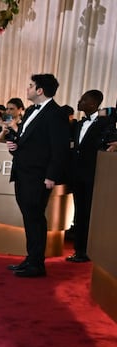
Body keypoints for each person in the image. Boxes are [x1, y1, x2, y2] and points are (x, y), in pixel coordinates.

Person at [5, 74, 69, 277]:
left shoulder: (55, 113)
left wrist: (51, 176)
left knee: (35, 218)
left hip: (39, 176)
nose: (28, 89)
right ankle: (31, 258)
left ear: (40, 90)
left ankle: (37, 264)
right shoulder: (32, 110)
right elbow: (28, 141)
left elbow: (59, 149)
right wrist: (14, 145)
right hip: (23, 173)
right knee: (29, 217)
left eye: (31, 86)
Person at [66, 90, 114, 263]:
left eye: (83, 99)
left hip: (94, 176)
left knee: (89, 214)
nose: (79, 102)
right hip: (77, 176)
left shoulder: (105, 122)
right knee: (79, 213)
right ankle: (79, 250)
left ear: (93, 103)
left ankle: (87, 251)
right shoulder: (78, 124)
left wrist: (103, 112)